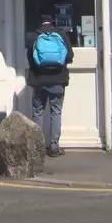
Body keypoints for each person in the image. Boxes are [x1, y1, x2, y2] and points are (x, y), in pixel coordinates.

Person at [27, 9, 73, 157]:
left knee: (38, 112)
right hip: (57, 80)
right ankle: (54, 147)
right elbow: (70, 56)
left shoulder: (34, 36)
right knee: (56, 112)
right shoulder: (61, 35)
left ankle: (36, 147)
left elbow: (30, 58)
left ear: (40, 23)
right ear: (52, 22)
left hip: (39, 80)